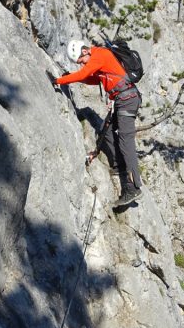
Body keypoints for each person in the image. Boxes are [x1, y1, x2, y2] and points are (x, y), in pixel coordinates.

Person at [55, 39, 143, 208]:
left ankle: (133, 187)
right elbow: (93, 79)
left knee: (126, 142)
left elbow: (83, 74)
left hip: (127, 99)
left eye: (80, 60)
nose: (80, 63)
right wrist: (70, 78)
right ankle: (119, 165)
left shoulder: (99, 54)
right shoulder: (97, 57)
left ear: (85, 51)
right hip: (123, 99)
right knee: (106, 130)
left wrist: (58, 81)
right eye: (78, 62)